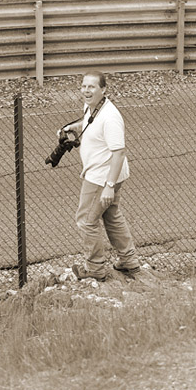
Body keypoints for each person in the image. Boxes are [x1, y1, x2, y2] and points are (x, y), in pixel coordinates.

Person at [60, 71, 142, 282]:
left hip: (101, 177)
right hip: (107, 175)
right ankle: (129, 261)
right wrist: (72, 127)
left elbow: (119, 152)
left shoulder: (110, 117)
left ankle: (94, 268)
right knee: (111, 215)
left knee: (86, 221)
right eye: (84, 86)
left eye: (92, 87)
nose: (86, 90)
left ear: (103, 89)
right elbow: (89, 124)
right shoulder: (92, 107)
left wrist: (109, 185)